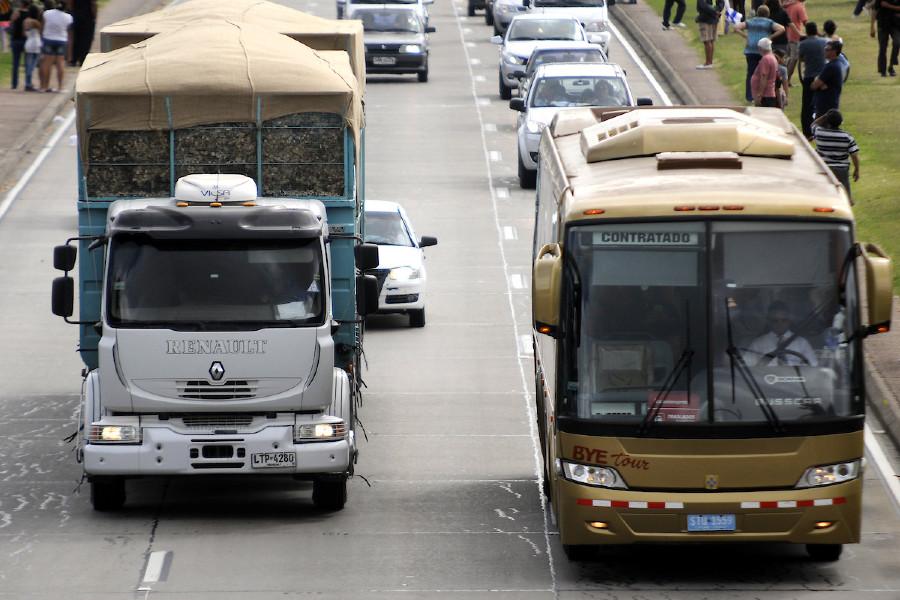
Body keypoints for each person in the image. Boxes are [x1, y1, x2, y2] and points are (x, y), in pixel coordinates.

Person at [733, 5, 784, 102]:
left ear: (757, 13)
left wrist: (746, 36)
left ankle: (750, 96)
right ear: (768, 14)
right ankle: (763, 94)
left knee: (751, 73)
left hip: (751, 50)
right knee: (764, 73)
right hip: (764, 50)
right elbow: (782, 29)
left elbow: (736, 27)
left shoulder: (751, 21)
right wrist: (770, 37)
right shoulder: (769, 23)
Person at [746, 301, 818, 366]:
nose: (779, 324)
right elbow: (747, 367)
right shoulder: (758, 344)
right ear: (768, 321)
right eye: (775, 320)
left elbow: (813, 366)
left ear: (789, 320)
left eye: (784, 320)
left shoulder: (802, 343)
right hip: (766, 379)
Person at [812, 109, 860, 200]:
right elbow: (854, 155)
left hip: (824, 168)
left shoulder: (819, 132)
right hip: (841, 170)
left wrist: (825, 115)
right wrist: (857, 170)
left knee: (823, 195)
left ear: (827, 121)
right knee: (844, 196)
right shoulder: (847, 137)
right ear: (841, 122)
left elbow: (813, 124)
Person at [798, 21, 827, 136]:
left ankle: (807, 131)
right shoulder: (824, 42)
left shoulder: (804, 44)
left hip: (809, 77)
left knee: (807, 105)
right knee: (822, 104)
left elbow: (800, 59)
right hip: (823, 77)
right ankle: (822, 129)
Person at [38, 0, 72, 93]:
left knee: (47, 63)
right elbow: (69, 32)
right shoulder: (68, 17)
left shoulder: (47, 13)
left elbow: (42, 26)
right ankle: (60, 87)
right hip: (61, 40)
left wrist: (41, 37)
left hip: (48, 39)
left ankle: (44, 86)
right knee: (60, 63)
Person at [811, 40, 844, 117]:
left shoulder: (831, 67)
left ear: (834, 51)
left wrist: (818, 83)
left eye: (827, 50)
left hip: (826, 106)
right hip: (830, 104)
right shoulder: (835, 64)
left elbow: (814, 85)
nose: (824, 51)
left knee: (820, 127)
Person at [871, 0, 900, 76]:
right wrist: (872, 27)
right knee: (882, 48)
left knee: (897, 43)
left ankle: (891, 66)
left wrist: (888, 6)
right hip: (882, 24)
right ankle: (882, 70)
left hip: (896, 24)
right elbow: (874, 9)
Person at [783, 0, 807, 85]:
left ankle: (782, 77)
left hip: (786, 34)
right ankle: (787, 80)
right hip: (796, 36)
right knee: (794, 58)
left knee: (787, 57)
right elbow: (805, 22)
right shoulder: (799, 6)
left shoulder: (787, 5)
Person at [696, 0, 725, 69]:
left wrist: (714, 11)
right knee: (711, 40)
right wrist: (716, 11)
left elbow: (702, 5)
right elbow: (721, 3)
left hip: (705, 18)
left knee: (707, 41)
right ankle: (710, 62)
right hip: (714, 18)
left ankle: (708, 63)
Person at [751, 38, 780, 106]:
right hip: (769, 94)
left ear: (761, 48)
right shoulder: (772, 57)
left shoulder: (766, 59)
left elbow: (764, 77)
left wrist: (759, 94)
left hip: (765, 95)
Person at [69, 0, 96, 67]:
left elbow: (70, 2)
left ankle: (74, 59)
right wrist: (94, 16)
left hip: (76, 15)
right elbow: (93, 4)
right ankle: (82, 59)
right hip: (88, 16)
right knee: (86, 39)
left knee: (76, 38)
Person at [8, 0, 28, 90]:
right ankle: (28, 83)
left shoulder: (16, 13)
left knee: (15, 63)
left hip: (16, 39)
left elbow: (11, 24)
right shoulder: (30, 14)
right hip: (26, 40)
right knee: (28, 63)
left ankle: (14, 84)